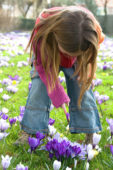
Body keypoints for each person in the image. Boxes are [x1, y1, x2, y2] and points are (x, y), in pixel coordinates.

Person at [14, 5, 105, 145]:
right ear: (57, 35)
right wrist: (57, 93)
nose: (69, 57)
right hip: (47, 54)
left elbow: (92, 52)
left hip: (79, 53)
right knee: (39, 87)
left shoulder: (90, 29)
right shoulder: (43, 28)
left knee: (82, 87)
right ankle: (31, 132)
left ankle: (91, 133)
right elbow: (42, 67)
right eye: (68, 52)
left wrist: (88, 72)